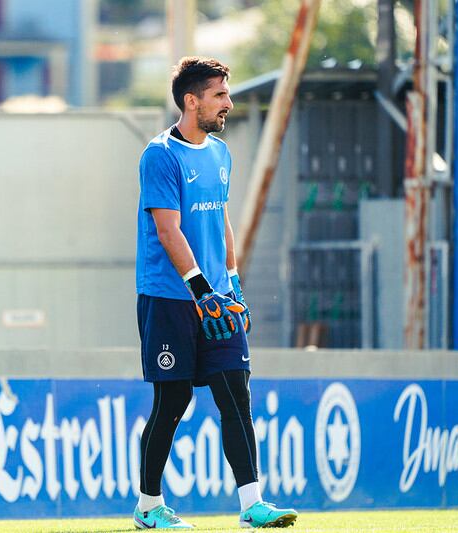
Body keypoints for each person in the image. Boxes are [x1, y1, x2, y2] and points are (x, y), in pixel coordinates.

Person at [133, 57, 299, 529]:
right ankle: (148, 507)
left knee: (236, 396)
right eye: (219, 95)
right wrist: (200, 288)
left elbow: (221, 219)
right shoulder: (160, 155)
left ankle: (252, 505)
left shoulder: (221, 153)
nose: (229, 103)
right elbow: (168, 230)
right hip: (170, 299)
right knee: (173, 402)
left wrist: (233, 283)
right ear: (192, 101)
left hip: (218, 298)